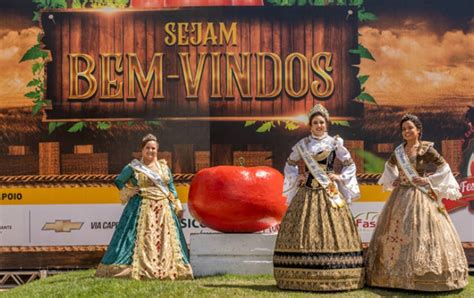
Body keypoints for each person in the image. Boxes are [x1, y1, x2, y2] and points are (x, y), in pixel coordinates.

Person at [365, 114, 468, 291]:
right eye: (404, 129)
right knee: (398, 232)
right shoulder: (398, 151)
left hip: (420, 196)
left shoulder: (426, 149)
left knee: (421, 231)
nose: (406, 131)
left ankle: (425, 277)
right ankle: (392, 277)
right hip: (400, 196)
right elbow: (389, 167)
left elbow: (444, 167)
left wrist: (429, 181)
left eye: (410, 128)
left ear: (418, 130)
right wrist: (394, 179)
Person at [273, 104, 364, 291]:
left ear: (327, 124)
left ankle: (338, 274)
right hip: (307, 192)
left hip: (329, 192)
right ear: (310, 125)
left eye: (322, 122)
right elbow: (290, 163)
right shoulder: (303, 145)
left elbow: (349, 163)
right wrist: (297, 176)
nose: (319, 125)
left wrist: (339, 176)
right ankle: (298, 274)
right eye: (315, 123)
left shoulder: (335, 143)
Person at [95, 134, 193, 280]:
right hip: (141, 206)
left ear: (157, 150)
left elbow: (170, 186)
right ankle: (136, 268)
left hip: (164, 209)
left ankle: (169, 270)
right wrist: (128, 190)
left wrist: (177, 203)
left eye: (153, 148)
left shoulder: (164, 167)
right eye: (148, 148)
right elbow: (119, 181)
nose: (151, 151)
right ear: (142, 149)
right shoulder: (133, 167)